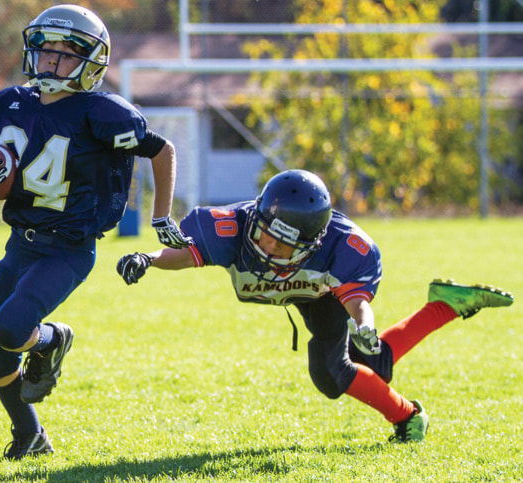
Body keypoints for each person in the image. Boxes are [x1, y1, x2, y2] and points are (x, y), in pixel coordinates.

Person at [116, 169, 514, 443]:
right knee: (368, 363)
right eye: (264, 233)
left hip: (322, 297)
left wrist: (364, 323)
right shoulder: (234, 226)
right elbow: (188, 252)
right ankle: (443, 308)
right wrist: (148, 259)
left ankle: (409, 416)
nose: (266, 246)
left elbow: (357, 300)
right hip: (303, 291)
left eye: (281, 243)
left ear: (311, 243)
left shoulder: (343, 246)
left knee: (333, 373)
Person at [0, 4, 192, 460]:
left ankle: (53, 338)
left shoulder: (101, 113)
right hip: (19, 244)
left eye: (66, 54)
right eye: (46, 50)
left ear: (91, 62)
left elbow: (162, 150)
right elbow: (6, 190)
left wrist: (162, 217)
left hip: (68, 249)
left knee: (11, 327)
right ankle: (30, 435)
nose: (51, 60)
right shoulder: (10, 105)